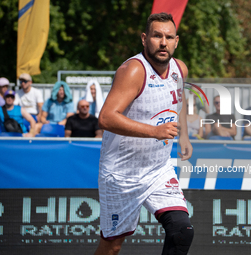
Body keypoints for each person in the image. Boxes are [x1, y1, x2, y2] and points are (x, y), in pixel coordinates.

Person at [94, 13, 194, 255]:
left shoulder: (180, 69)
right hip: (121, 175)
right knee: (112, 248)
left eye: (169, 37)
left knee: (182, 230)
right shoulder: (133, 70)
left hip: (158, 170)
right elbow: (106, 118)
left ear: (176, 41)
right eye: (157, 36)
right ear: (144, 38)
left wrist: (184, 136)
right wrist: (155, 131)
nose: (163, 42)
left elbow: (177, 102)